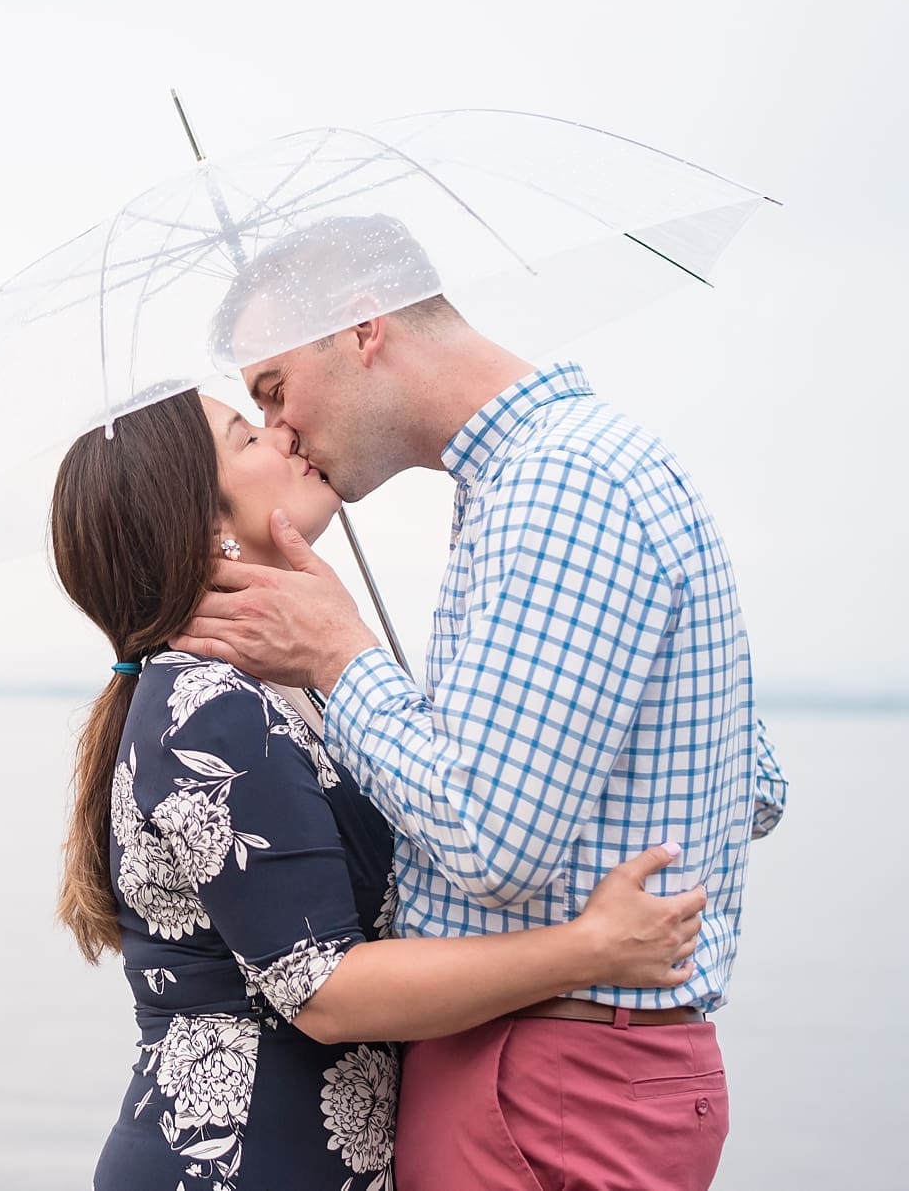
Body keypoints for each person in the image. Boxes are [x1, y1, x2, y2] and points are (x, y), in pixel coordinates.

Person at [173, 216, 789, 1191]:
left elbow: (493, 841)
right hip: (585, 1068)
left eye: (275, 391)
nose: (283, 434)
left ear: (361, 326)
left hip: (546, 1079)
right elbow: (755, 785)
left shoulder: (560, 487)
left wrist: (341, 656)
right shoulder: (573, 470)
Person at [50, 390, 707, 1191]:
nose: (286, 432)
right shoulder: (207, 710)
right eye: (248, 435)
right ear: (202, 528)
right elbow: (325, 989)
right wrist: (589, 949)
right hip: (232, 1165)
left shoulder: (288, 687)